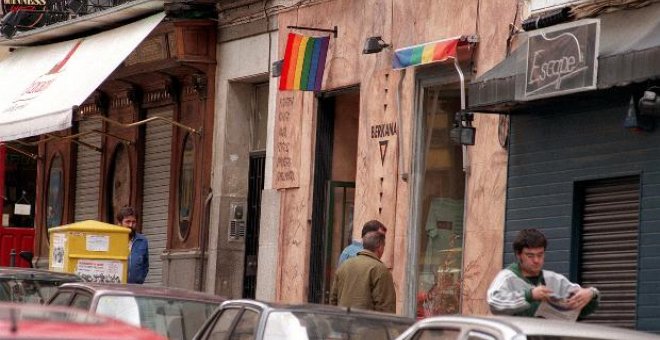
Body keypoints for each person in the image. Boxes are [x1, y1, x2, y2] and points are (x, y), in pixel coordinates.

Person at [487, 228, 599, 318]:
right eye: (530, 255)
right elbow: (494, 302)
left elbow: (582, 310)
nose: (536, 260)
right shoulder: (507, 278)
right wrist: (530, 295)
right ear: (518, 255)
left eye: (540, 255)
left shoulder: (554, 279)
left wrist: (591, 294)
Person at [329, 220, 396, 313]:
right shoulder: (380, 270)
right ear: (380, 246)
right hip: (366, 326)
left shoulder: (344, 265)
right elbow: (386, 309)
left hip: (343, 324)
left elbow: (333, 300)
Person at [117, 206, 149, 284]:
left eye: (133, 222)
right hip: (116, 287)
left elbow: (145, 265)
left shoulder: (142, 241)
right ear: (119, 223)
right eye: (127, 222)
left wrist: (140, 279)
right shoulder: (114, 240)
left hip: (135, 288)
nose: (131, 225)